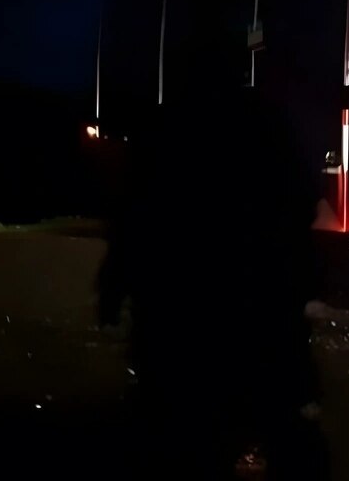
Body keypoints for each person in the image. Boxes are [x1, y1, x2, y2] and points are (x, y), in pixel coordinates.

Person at [97, 30, 326, 480]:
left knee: (182, 440)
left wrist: (112, 287)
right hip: (256, 312)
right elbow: (302, 204)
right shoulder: (269, 124)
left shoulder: (164, 129)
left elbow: (133, 218)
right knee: (283, 430)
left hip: (179, 321)